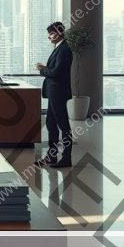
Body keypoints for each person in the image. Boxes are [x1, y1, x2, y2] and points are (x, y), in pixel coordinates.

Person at [34, 21, 73, 168]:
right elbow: (55, 69)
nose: (49, 37)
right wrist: (45, 68)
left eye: (50, 34)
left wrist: (42, 69)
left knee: (63, 126)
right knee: (51, 123)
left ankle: (66, 158)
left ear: (57, 33)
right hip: (54, 92)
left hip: (59, 92)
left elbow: (56, 72)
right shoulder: (59, 48)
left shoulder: (64, 49)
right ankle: (52, 156)